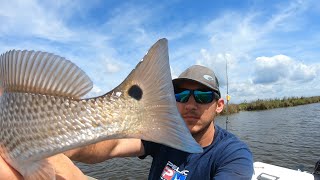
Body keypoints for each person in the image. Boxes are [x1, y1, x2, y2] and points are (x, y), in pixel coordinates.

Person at [0, 65, 254, 179]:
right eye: (180, 94)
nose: (190, 104)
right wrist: (50, 139)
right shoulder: (161, 136)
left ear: (219, 105)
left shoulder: (233, 154)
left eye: (202, 96)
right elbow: (112, 146)